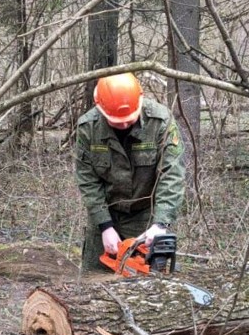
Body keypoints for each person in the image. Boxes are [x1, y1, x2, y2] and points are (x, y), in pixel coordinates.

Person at [74, 72, 185, 271]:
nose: (124, 124)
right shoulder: (88, 128)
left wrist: (160, 223)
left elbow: (172, 174)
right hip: (105, 212)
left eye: (129, 119)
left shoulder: (160, 122)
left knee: (148, 283)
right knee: (93, 282)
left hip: (144, 215)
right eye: (117, 121)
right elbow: (88, 180)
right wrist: (104, 225)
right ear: (100, 108)